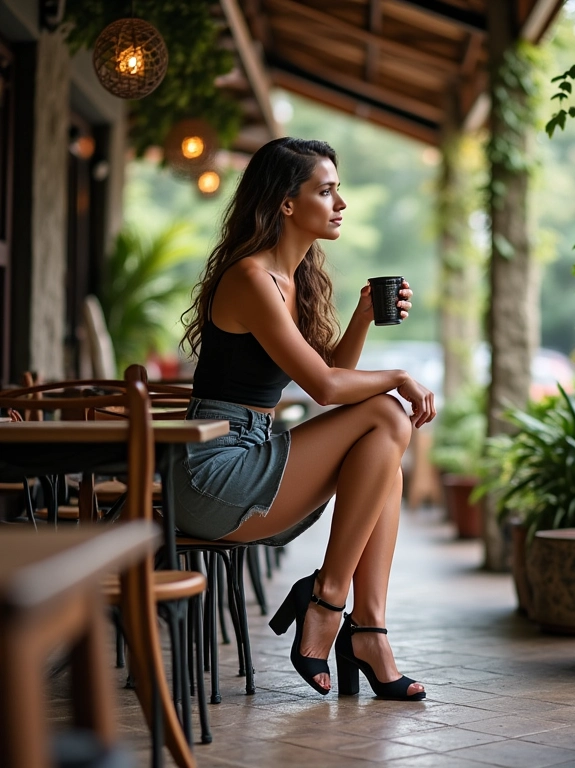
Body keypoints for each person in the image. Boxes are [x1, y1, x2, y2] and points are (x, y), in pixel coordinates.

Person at [175, 137, 436, 701]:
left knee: (384, 454)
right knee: (388, 418)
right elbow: (324, 387)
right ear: (286, 203)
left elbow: (333, 373)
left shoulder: (297, 281)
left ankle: (367, 630)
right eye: (326, 190)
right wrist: (395, 376)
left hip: (251, 451)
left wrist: (364, 317)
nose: (339, 203)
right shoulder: (251, 278)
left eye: (338, 190)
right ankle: (327, 605)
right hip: (212, 471)